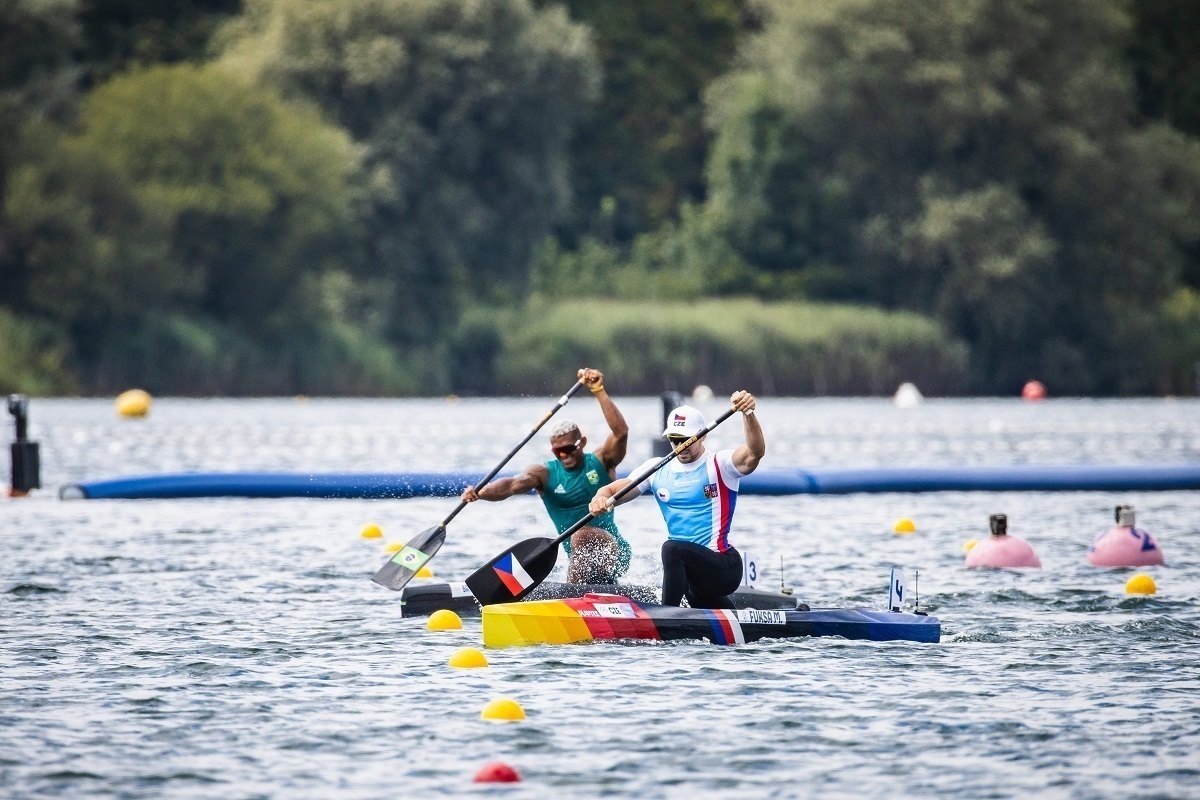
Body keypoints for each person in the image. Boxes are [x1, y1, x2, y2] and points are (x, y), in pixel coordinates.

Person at [588, 391, 764, 609]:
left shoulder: (720, 464)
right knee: (691, 585)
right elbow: (614, 489)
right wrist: (601, 497)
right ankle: (742, 623)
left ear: (703, 436)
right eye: (675, 439)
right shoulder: (656, 468)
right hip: (691, 576)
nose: (680, 445)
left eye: (686, 439)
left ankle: (666, 615)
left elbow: (754, 453)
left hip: (723, 567)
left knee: (672, 549)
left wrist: (748, 413)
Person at [461, 367, 632, 583]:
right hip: (580, 560)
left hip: (613, 550)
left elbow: (621, 433)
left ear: (583, 443)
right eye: (557, 451)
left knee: (581, 535)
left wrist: (598, 390)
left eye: (569, 449)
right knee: (582, 552)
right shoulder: (544, 474)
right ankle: (588, 594)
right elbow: (512, 485)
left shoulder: (601, 461)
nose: (564, 455)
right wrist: (481, 492)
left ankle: (569, 596)